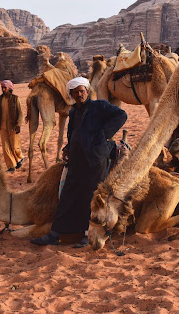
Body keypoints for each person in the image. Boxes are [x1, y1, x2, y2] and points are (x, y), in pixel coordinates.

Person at [31, 76, 127, 248]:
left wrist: (102, 134)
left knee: (90, 196)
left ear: (87, 91)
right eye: (76, 93)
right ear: (72, 95)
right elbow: (74, 133)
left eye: (82, 91)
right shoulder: (74, 112)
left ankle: (86, 234)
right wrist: (68, 147)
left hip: (95, 159)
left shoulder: (99, 106)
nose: (79, 95)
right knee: (68, 195)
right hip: (77, 158)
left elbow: (121, 115)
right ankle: (55, 233)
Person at [0, 80, 24, 172]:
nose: (3, 89)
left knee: (14, 147)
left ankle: (20, 158)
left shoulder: (16, 99)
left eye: (4, 88)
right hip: (2, 127)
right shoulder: (0, 99)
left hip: (13, 126)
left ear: (10, 88)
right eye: (2, 88)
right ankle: (11, 166)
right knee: (5, 148)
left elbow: (20, 113)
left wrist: (18, 125)